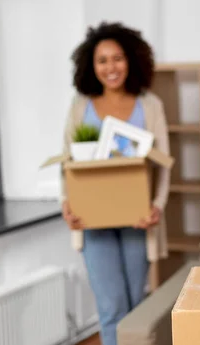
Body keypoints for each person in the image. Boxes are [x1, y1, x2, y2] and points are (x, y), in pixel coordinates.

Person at [61, 22, 170, 345]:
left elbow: (164, 163)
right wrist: (66, 204)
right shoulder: (80, 107)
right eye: (102, 60)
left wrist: (158, 206)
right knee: (111, 308)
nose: (111, 67)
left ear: (131, 60)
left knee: (135, 307)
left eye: (117, 58)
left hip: (138, 219)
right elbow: (66, 162)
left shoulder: (150, 105)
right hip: (93, 221)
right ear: (91, 66)